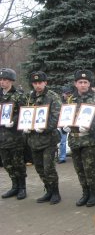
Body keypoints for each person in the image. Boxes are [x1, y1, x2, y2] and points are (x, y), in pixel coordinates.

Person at [64, 69, 95, 207]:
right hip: (74, 139)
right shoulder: (70, 99)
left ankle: (93, 194)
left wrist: (90, 126)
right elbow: (66, 115)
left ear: (89, 84)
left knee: (89, 168)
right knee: (79, 168)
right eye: (80, 82)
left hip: (89, 140)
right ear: (75, 83)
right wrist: (65, 125)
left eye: (86, 82)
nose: (83, 85)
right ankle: (85, 192)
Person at [25, 71, 62, 204]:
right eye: (35, 83)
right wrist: (25, 125)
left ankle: (55, 193)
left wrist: (45, 127)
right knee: (39, 168)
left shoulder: (53, 97)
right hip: (34, 140)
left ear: (45, 82)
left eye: (40, 82)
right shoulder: (29, 97)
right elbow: (26, 114)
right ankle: (48, 191)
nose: (38, 85)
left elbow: (56, 117)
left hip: (48, 140)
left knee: (48, 168)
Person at [0, 68, 27, 200]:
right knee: (7, 163)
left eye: (5, 80)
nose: (2, 82)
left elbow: (24, 113)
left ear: (11, 80)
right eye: (1, 80)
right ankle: (14, 186)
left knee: (18, 163)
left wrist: (13, 121)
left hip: (14, 135)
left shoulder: (18, 95)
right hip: (1, 136)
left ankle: (22, 187)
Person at [58, 86, 73, 164]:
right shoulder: (60, 102)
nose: (68, 95)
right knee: (63, 141)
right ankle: (62, 157)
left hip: (72, 123)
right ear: (63, 94)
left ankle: (74, 154)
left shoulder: (73, 100)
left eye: (69, 93)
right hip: (63, 123)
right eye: (67, 93)